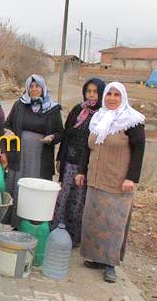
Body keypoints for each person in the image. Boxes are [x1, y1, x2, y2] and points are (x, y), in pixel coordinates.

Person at [79, 82, 145, 283]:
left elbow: (139, 150)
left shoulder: (132, 121)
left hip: (118, 183)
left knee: (113, 224)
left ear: (123, 97)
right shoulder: (98, 118)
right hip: (96, 179)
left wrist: (131, 178)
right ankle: (97, 259)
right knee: (95, 221)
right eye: (109, 94)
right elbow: (87, 148)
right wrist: (82, 172)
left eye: (117, 95)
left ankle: (110, 264)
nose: (112, 98)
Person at [3, 74, 63, 228]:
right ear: (27, 88)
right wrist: (8, 132)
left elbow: (60, 132)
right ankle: (16, 223)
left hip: (40, 157)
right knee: (19, 186)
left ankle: (33, 224)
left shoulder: (53, 108)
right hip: (19, 155)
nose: (34, 89)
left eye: (37, 86)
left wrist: (52, 137)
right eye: (31, 86)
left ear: (43, 88)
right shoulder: (19, 105)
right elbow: (7, 125)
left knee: (36, 188)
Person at [52, 78, 105, 245]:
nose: (91, 95)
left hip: (89, 165)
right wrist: (60, 157)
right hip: (70, 161)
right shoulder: (77, 110)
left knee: (79, 201)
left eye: (95, 92)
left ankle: (74, 238)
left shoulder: (103, 116)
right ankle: (56, 232)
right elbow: (66, 134)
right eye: (88, 91)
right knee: (63, 197)